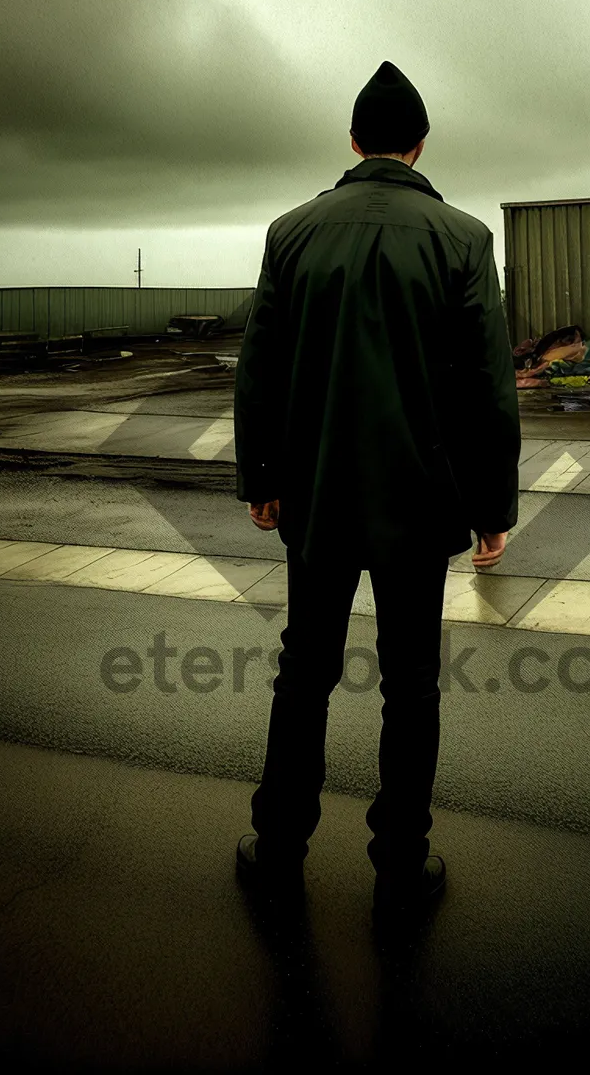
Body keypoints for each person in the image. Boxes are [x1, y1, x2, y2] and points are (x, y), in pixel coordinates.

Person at [233, 60, 521, 917]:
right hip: (420, 503)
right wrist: (491, 510)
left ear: (354, 142)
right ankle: (400, 862)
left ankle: (280, 845)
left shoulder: (291, 232)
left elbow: (261, 368)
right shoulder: (464, 239)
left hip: (316, 500)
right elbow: (487, 388)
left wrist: (262, 478)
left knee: (304, 675)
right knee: (412, 684)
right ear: (420, 143)